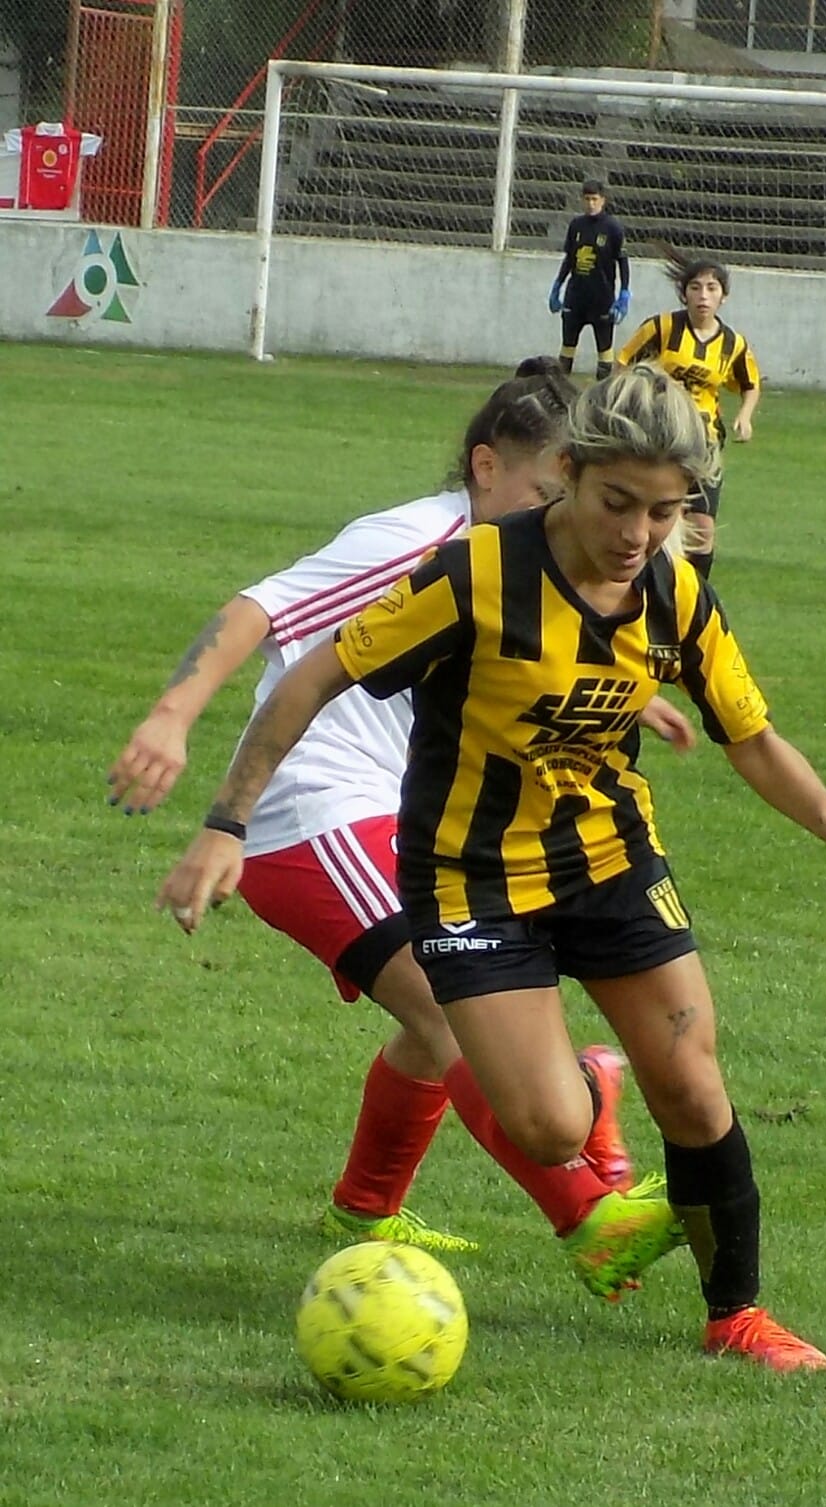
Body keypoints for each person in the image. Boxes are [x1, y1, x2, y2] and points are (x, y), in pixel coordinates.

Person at [157, 365, 826, 1372]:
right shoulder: (473, 574)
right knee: (550, 1129)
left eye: (665, 511)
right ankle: (576, 1090)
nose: (637, 533)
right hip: (471, 878)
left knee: (692, 1086)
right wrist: (227, 822)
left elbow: (749, 733)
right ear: (565, 472)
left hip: (607, 859)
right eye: (617, 503)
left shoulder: (675, 592)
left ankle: (735, 1314)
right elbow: (314, 674)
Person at [109, 362, 693, 1300]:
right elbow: (260, 610)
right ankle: (589, 1217)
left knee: (439, 1018)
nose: (572, 518)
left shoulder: (522, 566)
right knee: (448, 1002)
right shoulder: (415, 538)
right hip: (314, 812)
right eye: (552, 491)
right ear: (484, 467)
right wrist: (176, 721)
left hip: (404, 816)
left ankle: (365, 1204)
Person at [617, 248, 760, 578]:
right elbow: (623, 365)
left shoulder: (733, 344)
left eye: (712, 288)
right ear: (684, 294)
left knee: (703, 528)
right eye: (695, 287)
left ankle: (695, 594)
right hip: (660, 439)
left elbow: (750, 383)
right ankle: (653, 585)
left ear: (724, 296)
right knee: (663, 517)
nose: (703, 296)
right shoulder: (662, 328)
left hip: (705, 442)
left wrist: (745, 415)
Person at [548, 178, 630, 381]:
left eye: (594, 199)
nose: (590, 204)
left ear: (603, 200)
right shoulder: (576, 225)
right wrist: (557, 285)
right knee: (567, 345)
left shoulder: (613, 228)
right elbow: (570, 258)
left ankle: (603, 393)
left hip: (601, 298)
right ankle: (560, 390)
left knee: (604, 347)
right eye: (587, 199)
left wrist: (624, 293)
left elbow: (623, 261)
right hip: (575, 296)